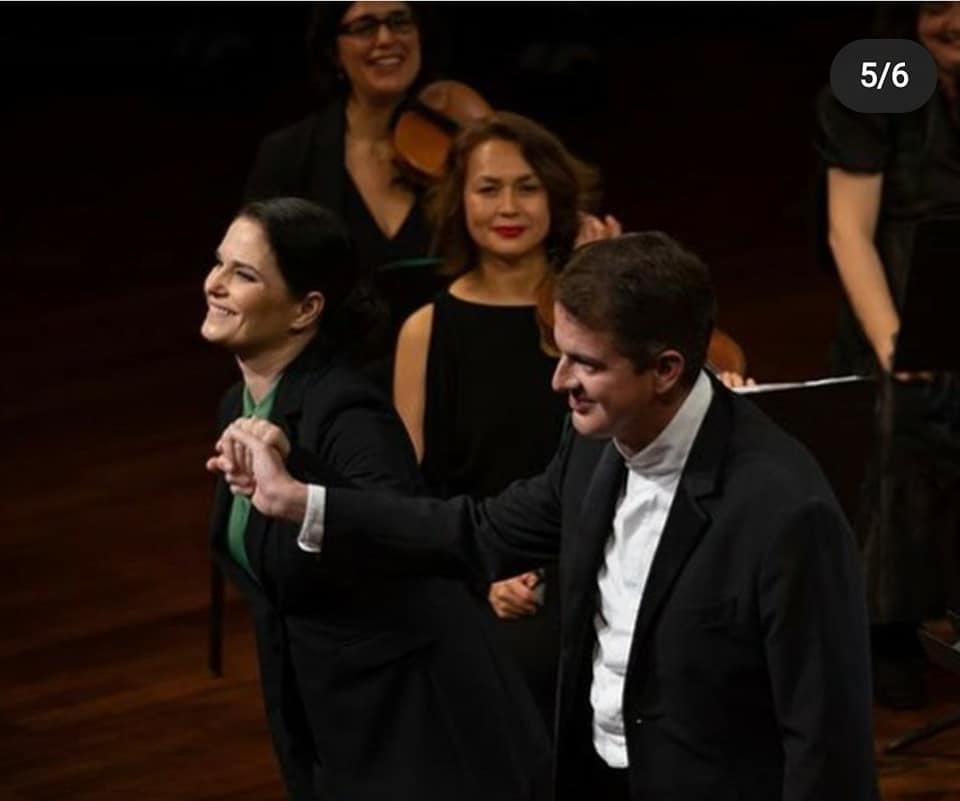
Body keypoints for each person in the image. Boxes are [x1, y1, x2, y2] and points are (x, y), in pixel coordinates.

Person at [212, 232, 879, 801]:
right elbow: (475, 532)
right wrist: (301, 500)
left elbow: (826, 740)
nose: (559, 381)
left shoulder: (786, 510)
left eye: (585, 363)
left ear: (665, 369)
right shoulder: (592, 444)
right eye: (560, 353)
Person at [201, 197, 548, 801]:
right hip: (328, 708)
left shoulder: (348, 412)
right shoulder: (239, 404)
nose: (215, 284)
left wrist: (300, 474)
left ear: (306, 309)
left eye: (244, 274)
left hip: (412, 714)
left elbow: (402, 534)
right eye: (219, 263)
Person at [393, 111, 619, 732]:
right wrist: (482, 576)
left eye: (527, 187)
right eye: (488, 189)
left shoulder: (590, 315)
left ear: (555, 196)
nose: (509, 207)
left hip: (595, 552)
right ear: (458, 201)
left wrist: (600, 284)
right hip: (483, 562)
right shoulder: (426, 330)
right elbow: (409, 490)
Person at [816, 0, 960, 707]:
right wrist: (895, 344)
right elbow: (848, 230)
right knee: (896, 431)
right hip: (899, 290)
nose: (956, 19)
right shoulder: (883, 73)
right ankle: (887, 630)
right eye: (937, 4)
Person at [244, 2, 442, 388]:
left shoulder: (461, 143)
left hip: (449, 378)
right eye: (364, 26)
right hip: (332, 387)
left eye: (400, 22)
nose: (386, 38)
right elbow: (255, 287)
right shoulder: (289, 156)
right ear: (333, 50)